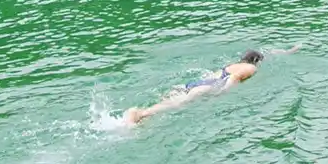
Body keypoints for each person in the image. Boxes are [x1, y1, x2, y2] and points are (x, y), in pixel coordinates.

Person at [124, 46, 298, 125]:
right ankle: (141, 114)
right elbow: (234, 79)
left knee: (175, 99)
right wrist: (224, 92)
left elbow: (215, 75)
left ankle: (143, 115)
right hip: (211, 87)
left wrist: (290, 50)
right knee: (179, 104)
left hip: (198, 83)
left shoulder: (232, 64)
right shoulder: (250, 68)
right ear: (256, 61)